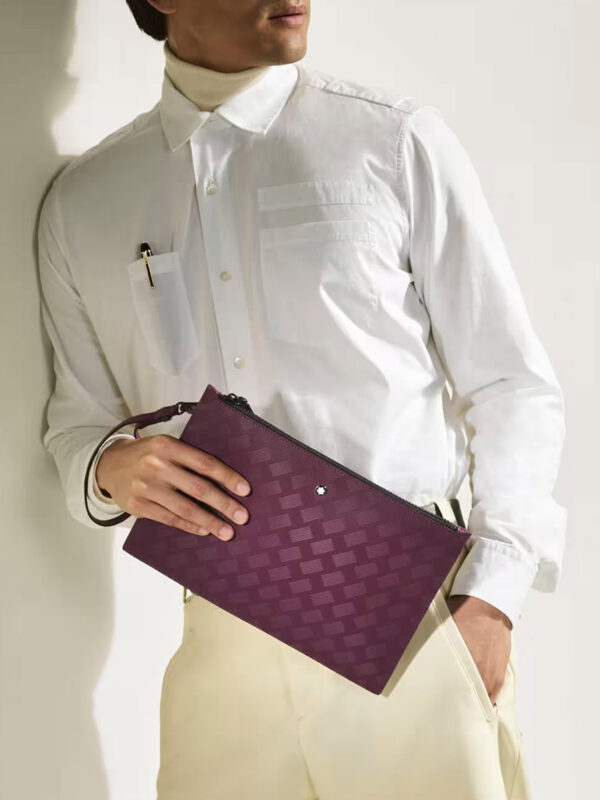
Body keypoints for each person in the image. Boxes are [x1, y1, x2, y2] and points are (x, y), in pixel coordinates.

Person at [37, 1, 567, 798]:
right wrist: (110, 469)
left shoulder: (393, 141)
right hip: (222, 637)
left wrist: (491, 601)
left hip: (414, 621)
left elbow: (510, 383)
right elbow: (77, 425)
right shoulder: (86, 202)